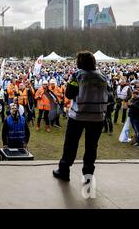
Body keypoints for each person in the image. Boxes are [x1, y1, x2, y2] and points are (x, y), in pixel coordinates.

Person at [53, 51, 108, 182]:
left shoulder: (77, 76)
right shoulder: (103, 76)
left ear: (80, 63)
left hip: (78, 116)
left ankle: (64, 170)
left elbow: (69, 94)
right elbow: (110, 96)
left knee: (71, 144)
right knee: (92, 146)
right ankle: (88, 175)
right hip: (98, 117)